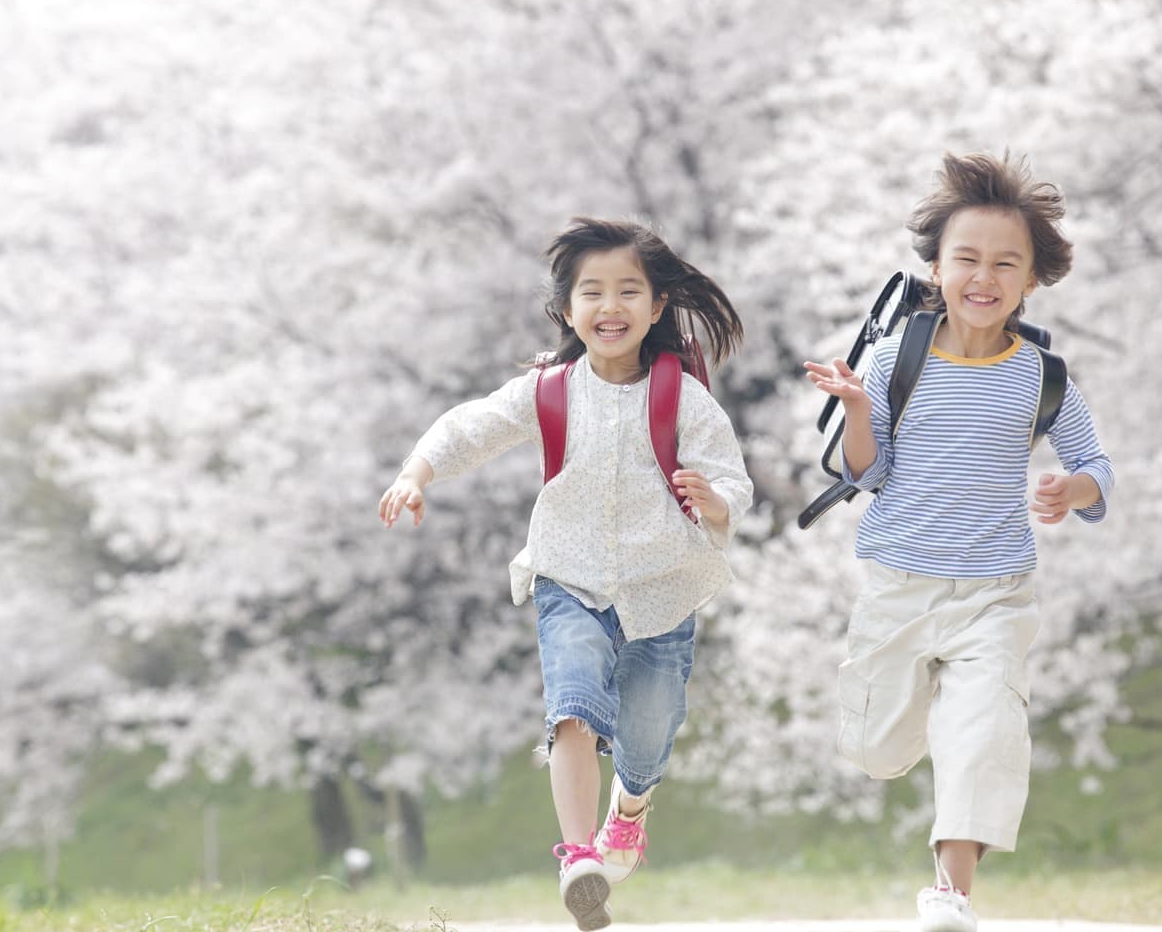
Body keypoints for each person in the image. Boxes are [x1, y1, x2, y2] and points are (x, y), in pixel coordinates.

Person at [379, 217, 752, 931]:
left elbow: (732, 480)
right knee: (573, 706)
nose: (609, 307)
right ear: (567, 311)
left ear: (657, 307)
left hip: (664, 587)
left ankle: (630, 808)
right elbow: (470, 427)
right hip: (568, 581)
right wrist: (415, 472)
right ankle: (578, 856)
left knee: (648, 731)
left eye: (627, 292)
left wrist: (718, 503)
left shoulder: (683, 398)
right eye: (592, 293)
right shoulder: (549, 391)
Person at [804, 152, 1115, 932]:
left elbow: (1095, 466)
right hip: (899, 585)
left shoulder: (1041, 377)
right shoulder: (893, 359)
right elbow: (861, 474)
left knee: (981, 735)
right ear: (936, 269)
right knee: (875, 749)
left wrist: (1070, 491)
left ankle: (951, 895)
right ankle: (912, 725)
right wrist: (859, 409)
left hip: (995, 592)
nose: (984, 277)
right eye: (966, 259)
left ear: (1031, 279)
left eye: (1005, 263)